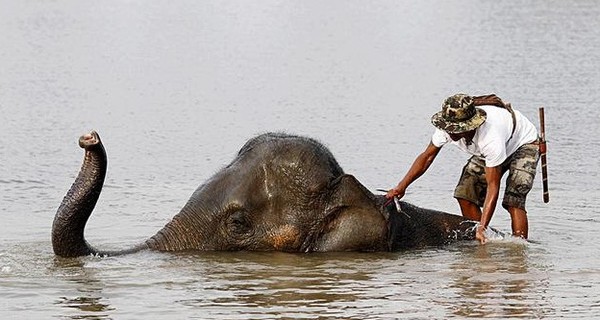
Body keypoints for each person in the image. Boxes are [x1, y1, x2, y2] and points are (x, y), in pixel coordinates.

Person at [386, 93, 539, 244]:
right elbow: (427, 157)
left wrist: (483, 226)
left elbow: (493, 186)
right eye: (449, 128)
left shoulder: (490, 137)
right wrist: (401, 187)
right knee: (464, 193)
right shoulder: (447, 127)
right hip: (490, 150)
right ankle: (484, 240)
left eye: (456, 129)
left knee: (513, 199)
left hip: (523, 144)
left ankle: (519, 248)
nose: (450, 132)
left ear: (470, 126)